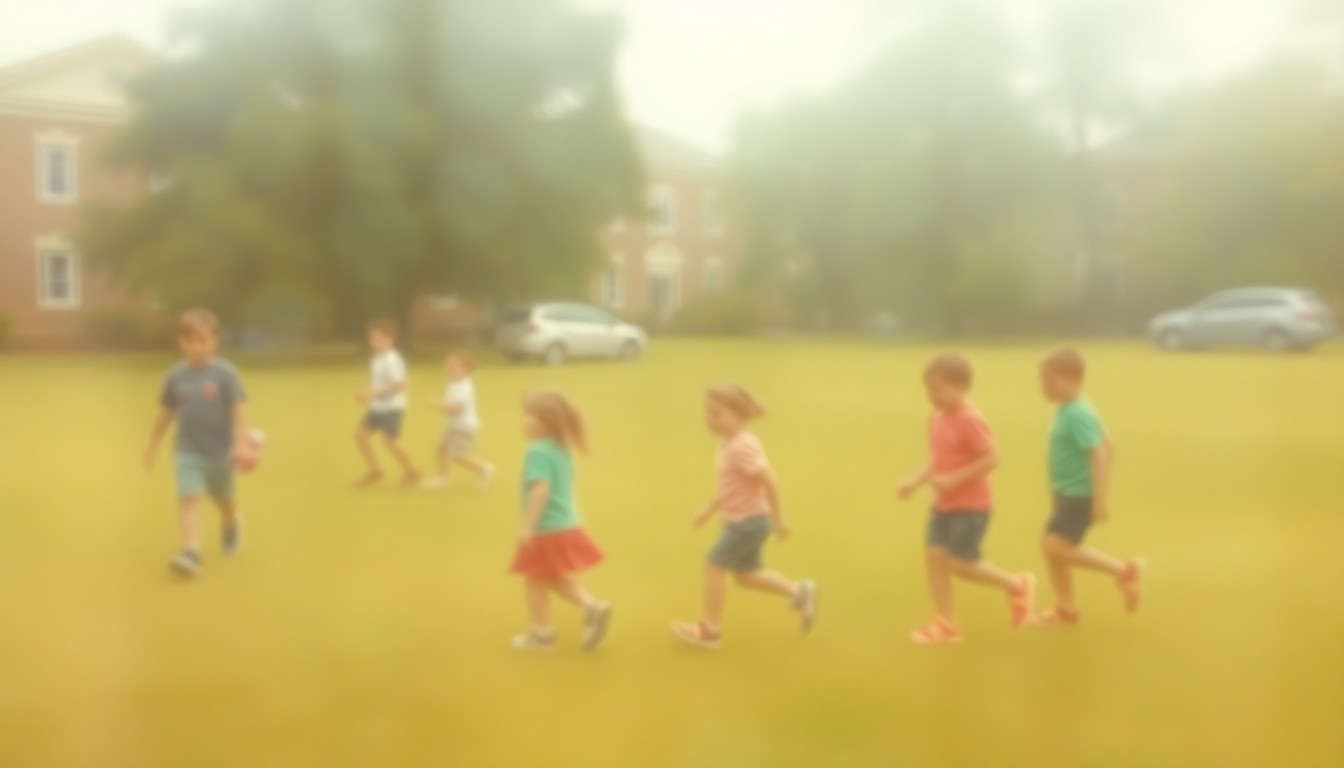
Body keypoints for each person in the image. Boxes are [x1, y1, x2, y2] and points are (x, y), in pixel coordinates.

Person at [897, 353, 1035, 645]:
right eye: (928, 389)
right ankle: (946, 623)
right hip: (943, 504)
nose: (931, 396)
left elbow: (992, 458)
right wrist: (914, 482)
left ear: (961, 387)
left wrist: (953, 479)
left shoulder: (970, 419)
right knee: (935, 558)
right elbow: (936, 457)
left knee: (961, 565)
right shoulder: (937, 418)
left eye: (937, 389)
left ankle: (1015, 584)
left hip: (971, 506)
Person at [673, 385, 818, 649]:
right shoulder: (729, 444)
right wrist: (708, 511)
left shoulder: (741, 446)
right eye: (708, 413)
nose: (710, 419)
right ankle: (799, 592)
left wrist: (780, 519)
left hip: (747, 523)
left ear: (739, 415)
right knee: (746, 576)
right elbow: (729, 487)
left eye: (717, 413)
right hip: (744, 521)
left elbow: (769, 480)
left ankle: (710, 630)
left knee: (713, 565)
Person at [1034, 347, 1144, 625]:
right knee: (1053, 550)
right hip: (1067, 492)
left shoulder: (1076, 413)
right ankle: (1066, 608)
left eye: (1049, 380)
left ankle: (1123, 571)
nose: (1043, 386)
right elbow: (1109, 445)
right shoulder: (1071, 408)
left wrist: (1099, 498)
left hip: (1078, 494)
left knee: (1054, 548)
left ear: (1071, 379)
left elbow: (1100, 453)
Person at [144, 309, 256, 578]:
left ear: (214, 341)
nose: (197, 347)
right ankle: (191, 552)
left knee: (224, 499)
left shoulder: (225, 373)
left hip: (221, 452)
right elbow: (165, 414)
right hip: (188, 450)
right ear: (180, 343)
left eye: (203, 340)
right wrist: (153, 445)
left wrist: (241, 442)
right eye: (190, 341)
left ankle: (231, 522)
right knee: (189, 498)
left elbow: (239, 408)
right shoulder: (175, 376)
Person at [509, 390, 612, 652]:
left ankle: (542, 634)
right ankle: (592, 607)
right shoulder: (561, 448)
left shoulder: (537, 451)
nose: (523, 420)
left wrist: (527, 525)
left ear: (547, 420)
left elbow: (540, 490)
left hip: (546, 527)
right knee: (550, 576)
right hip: (567, 523)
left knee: (534, 579)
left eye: (530, 415)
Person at [354, 319, 420, 488]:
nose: (374, 342)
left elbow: (400, 384)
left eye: (378, 338)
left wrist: (372, 394)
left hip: (393, 407)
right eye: (372, 338)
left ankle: (412, 471)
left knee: (390, 442)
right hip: (378, 407)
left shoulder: (392, 359)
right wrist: (370, 396)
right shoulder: (377, 359)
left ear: (391, 339)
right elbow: (381, 384)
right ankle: (375, 470)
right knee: (360, 435)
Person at [422, 353, 494, 490]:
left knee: (458, 455)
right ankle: (442, 479)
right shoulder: (454, 383)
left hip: (464, 427)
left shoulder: (464, 387)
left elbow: (456, 408)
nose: (450, 369)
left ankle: (484, 468)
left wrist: (436, 402)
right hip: (452, 426)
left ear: (467, 370)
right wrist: (441, 403)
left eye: (455, 367)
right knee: (440, 447)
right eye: (448, 366)